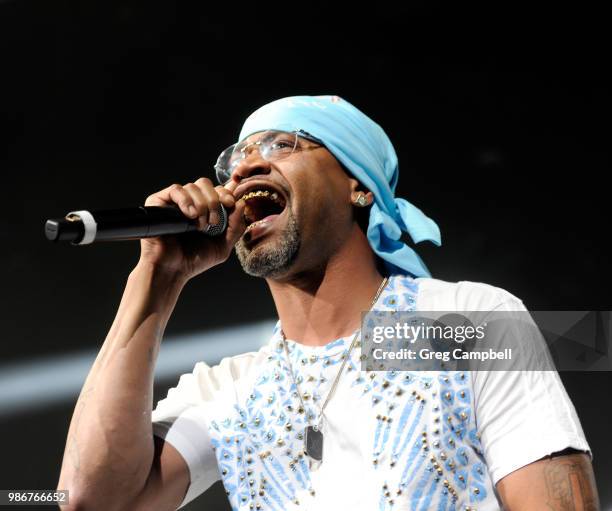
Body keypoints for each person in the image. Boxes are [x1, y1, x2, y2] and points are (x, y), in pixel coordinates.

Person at [57, 95, 599, 511]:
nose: (244, 168)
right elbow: (91, 499)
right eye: (234, 160)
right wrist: (156, 277)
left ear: (358, 187)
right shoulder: (229, 389)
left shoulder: (466, 322)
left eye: (281, 145)